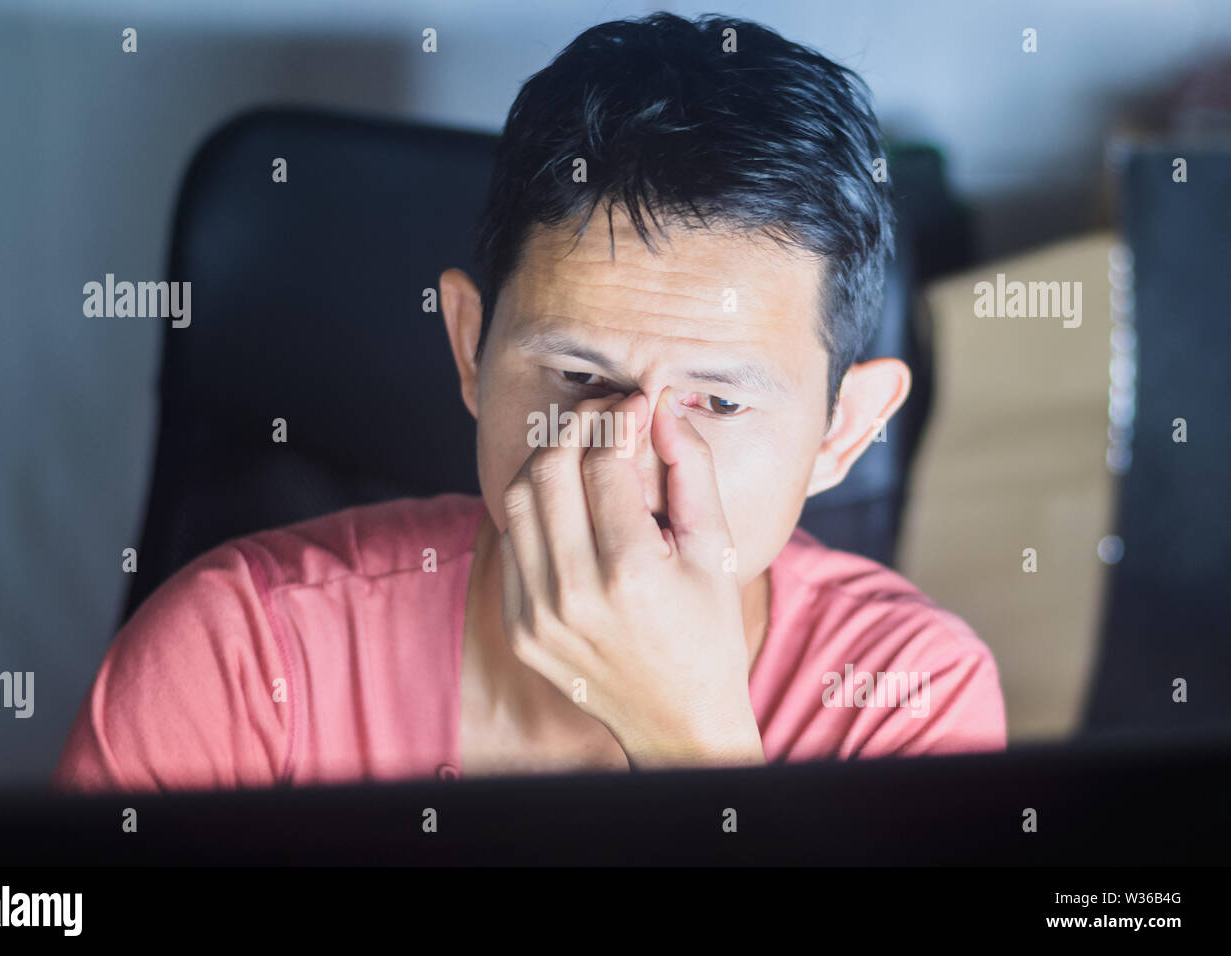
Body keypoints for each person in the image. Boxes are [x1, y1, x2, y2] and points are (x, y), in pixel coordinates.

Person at [52, 12, 1005, 793]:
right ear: (471, 348)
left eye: (717, 402)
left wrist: (692, 741)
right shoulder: (236, 657)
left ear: (843, 430)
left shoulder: (906, 697)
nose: (628, 460)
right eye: (579, 378)